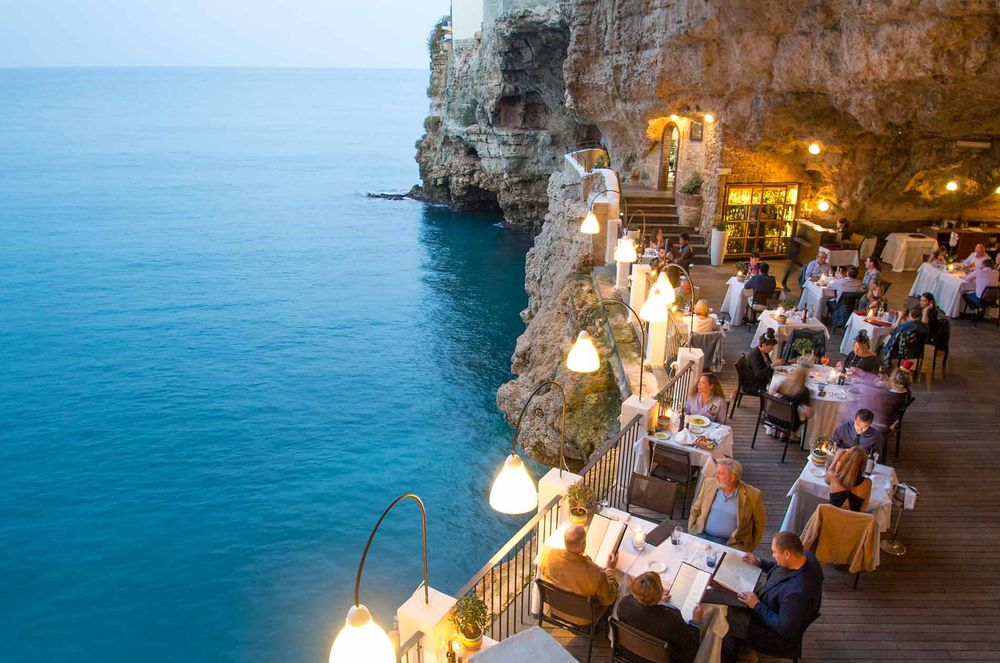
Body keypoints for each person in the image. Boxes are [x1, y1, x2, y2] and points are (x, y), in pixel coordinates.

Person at [717, 532, 823, 660]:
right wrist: (760, 563)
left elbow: (783, 627)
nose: (773, 555)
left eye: (774, 552)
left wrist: (756, 605)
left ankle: (743, 653)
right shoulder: (806, 557)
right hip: (767, 603)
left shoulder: (797, 594)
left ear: (787, 554)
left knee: (722, 614)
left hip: (768, 632)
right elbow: (780, 569)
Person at [538, 525, 618, 623]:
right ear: (583, 545)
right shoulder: (595, 573)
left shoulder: (548, 555)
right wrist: (610, 569)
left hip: (556, 609)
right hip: (582, 620)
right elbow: (608, 599)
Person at [615, 572, 700, 663]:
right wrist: (695, 621)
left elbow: (643, 617)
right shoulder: (671, 619)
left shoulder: (624, 604)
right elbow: (691, 646)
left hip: (628, 652)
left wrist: (658, 601)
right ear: (660, 591)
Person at [687, 459, 766, 552]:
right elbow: (695, 509)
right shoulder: (709, 483)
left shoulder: (752, 495)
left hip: (731, 544)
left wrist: (751, 547)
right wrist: (691, 529)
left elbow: (759, 524)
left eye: (720, 473)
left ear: (732, 477)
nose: (716, 476)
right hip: (702, 535)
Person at [769, 366, 813, 439]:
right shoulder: (804, 391)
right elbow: (807, 411)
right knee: (803, 414)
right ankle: (791, 435)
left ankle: (782, 433)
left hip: (772, 416)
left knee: (785, 408)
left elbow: (774, 394)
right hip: (789, 422)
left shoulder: (783, 383)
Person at [825, 446, 872, 512]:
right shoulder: (868, 483)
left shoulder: (833, 478)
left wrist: (836, 458)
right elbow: (863, 510)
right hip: (853, 521)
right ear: (864, 464)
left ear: (845, 459)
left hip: (830, 520)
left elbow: (826, 477)